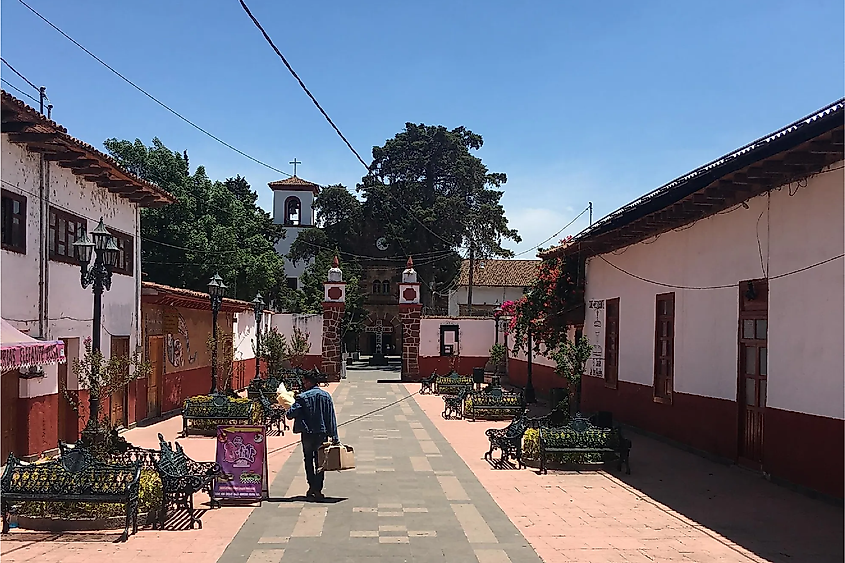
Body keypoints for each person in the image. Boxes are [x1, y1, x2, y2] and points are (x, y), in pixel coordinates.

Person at [285, 372, 339, 500]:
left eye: (305, 382)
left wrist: (288, 407)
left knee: (308, 460)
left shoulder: (302, 397)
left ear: (309, 382)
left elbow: (290, 414)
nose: (303, 384)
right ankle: (318, 488)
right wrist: (335, 436)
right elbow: (330, 417)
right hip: (322, 434)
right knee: (320, 462)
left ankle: (311, 487)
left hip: (307, 434)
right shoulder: (326, 396)